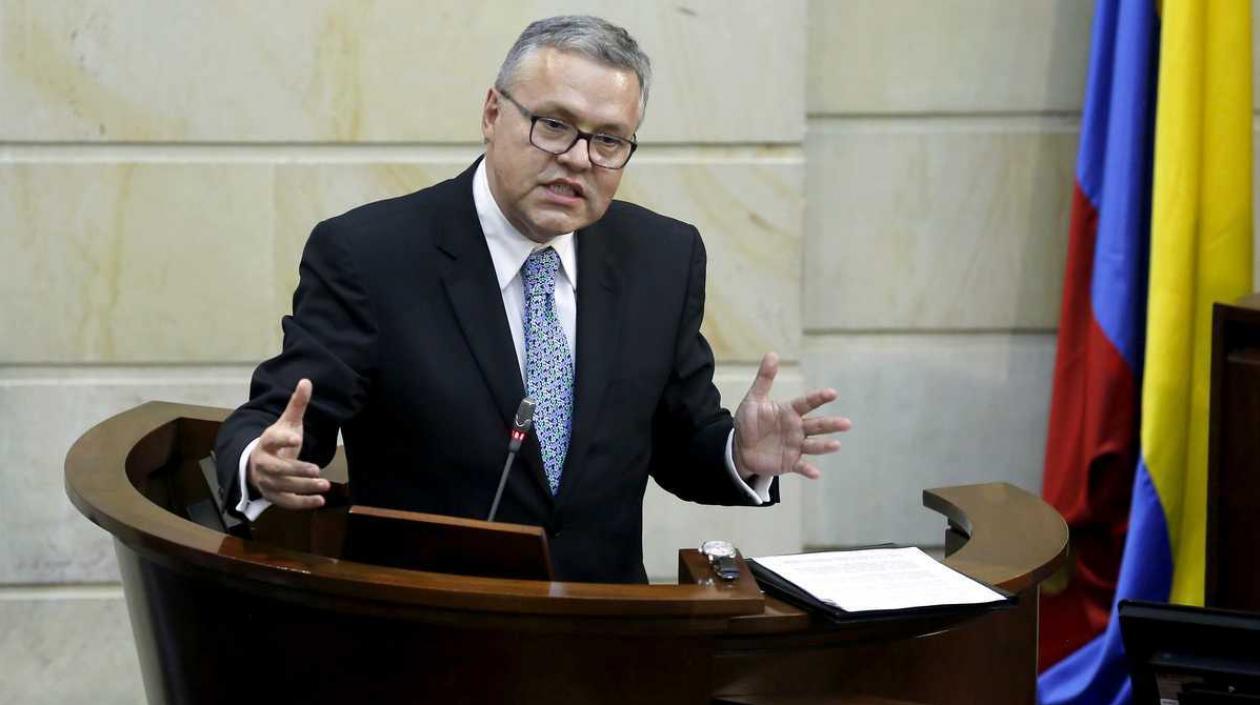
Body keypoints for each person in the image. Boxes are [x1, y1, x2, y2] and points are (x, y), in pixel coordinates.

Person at [214, 15, 850, 583]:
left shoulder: (663, 257)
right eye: (554, 126)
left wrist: (737, 453)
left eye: (608, 140)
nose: (577, 160)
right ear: (493, 114)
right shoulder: (370, 254)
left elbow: (680, 440)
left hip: (605, 643)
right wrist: (259, 463)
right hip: (427, 634)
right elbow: (281, 416)